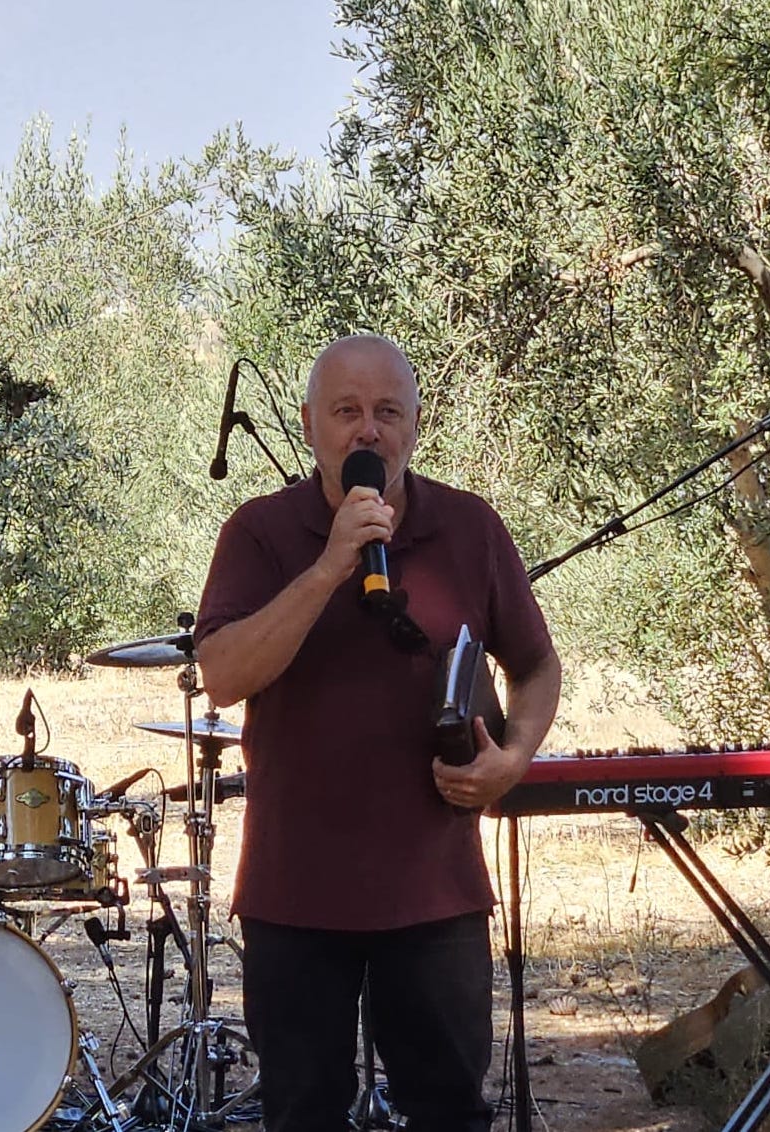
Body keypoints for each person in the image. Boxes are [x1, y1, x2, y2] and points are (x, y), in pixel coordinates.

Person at [194, 334, 562, 1132]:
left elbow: (536, 667)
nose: (369, 431)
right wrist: (330, 565)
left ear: (416, 425)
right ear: (308, 425)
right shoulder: (259, 533)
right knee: (302, 1115)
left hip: (434, 895)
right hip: (296, 895)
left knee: (450, 1113)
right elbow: (221, 674)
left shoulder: (469, 528)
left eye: (388, 412)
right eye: (348, 412)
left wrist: (515, 758)